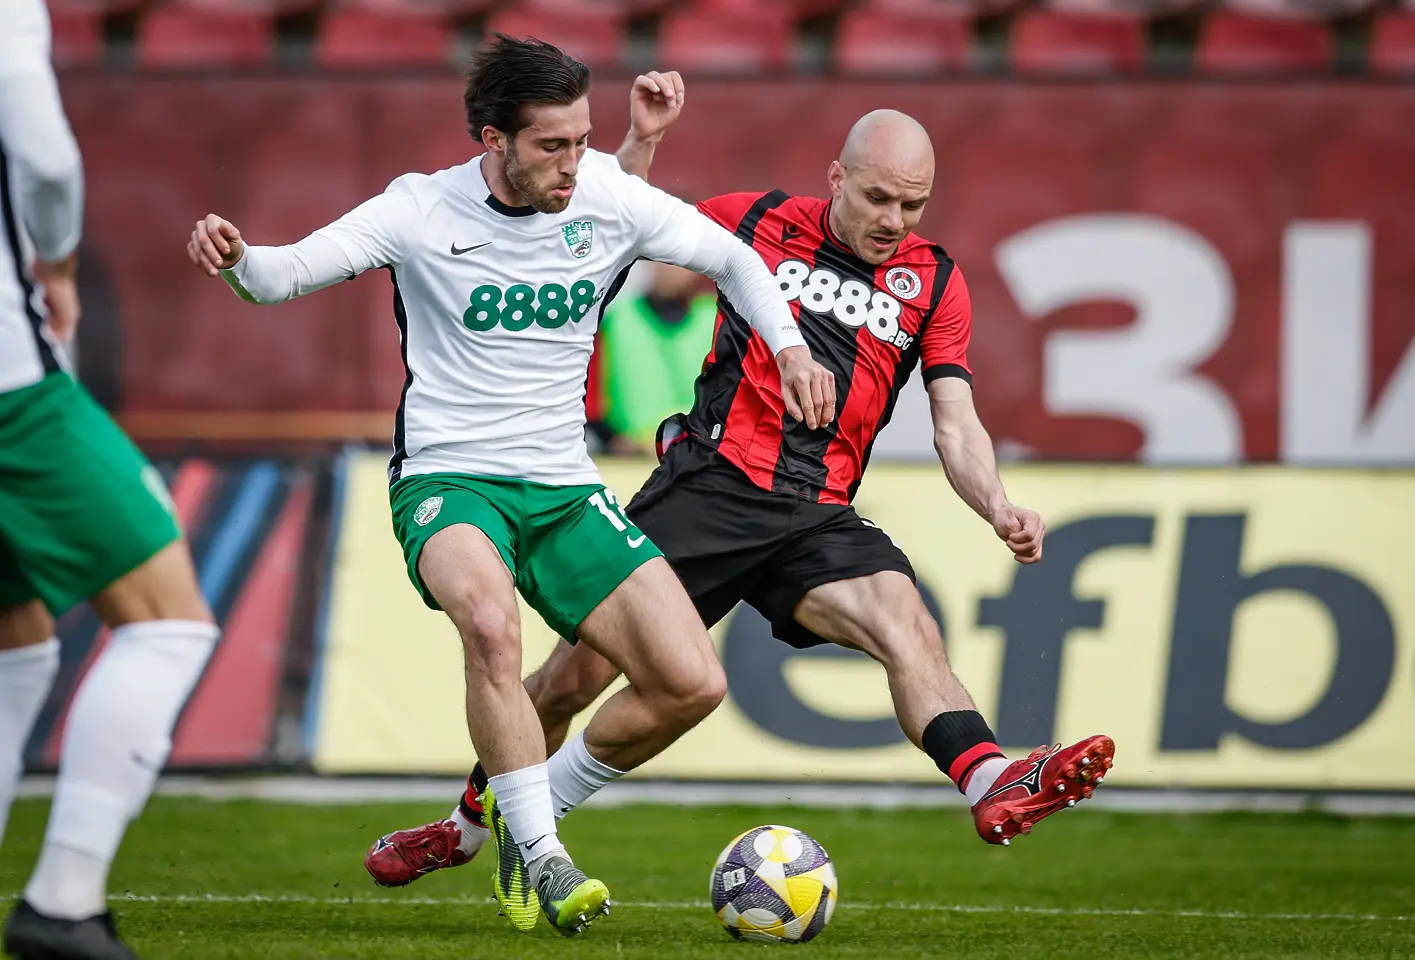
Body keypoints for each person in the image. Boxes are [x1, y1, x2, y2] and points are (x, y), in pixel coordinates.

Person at [364, 106, 1117, 892]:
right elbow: (618, 218)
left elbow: (954, 423)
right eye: (877, 198)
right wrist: (644, 144)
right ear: (836, 177)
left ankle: (990, 779)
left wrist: (996, 504)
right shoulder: (755, 220)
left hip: (816, 512)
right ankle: (462, 832)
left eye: (912, 205)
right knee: (566, 684)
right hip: (706, 492)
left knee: (908, 627)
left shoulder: (934, 281)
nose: (893, 221)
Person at [187, 37, 835, 937]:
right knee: (490, 626)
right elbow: (281, 274)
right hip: (450, 478)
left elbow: (734, 260)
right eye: (551, 146)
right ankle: (543, 855)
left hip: (564, 488)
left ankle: (505, 816)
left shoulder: (604, 192)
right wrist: (236, 256)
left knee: (690, 684)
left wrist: (791, 349)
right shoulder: (419, 209)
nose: (574, 163)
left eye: (582, 141)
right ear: (493, 139)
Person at [0, 2, 221, 958]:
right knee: (168, 622)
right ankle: (62, 900)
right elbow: (46, 160)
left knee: (15, 642)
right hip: (11, 393)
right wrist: (54, 264)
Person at [599, 261, 717, 452]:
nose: (668, 270)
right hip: (625, 456)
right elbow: (590, 392)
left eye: (678, 263)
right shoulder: (615, 317)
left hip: (699, 452)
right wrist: (611, 439)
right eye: (662, 261)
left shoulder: (715, 318)